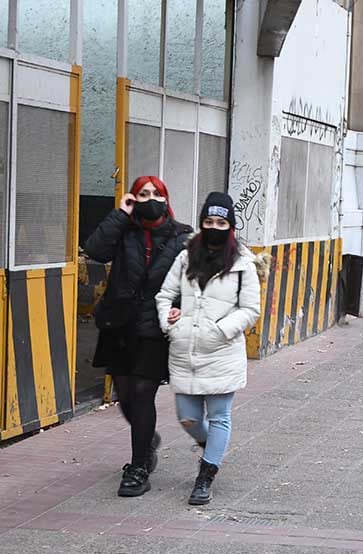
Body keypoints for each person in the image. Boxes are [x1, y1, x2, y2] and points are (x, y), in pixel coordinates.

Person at [86, 176, 192, 497]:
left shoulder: (182, 236)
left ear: (165, 197)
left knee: (143, 394)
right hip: (119, 324)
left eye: (155, 193)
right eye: (142, 194)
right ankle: (146, 439)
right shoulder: (124, 230)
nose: (149, 198)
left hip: (154, 327)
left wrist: (179, 310)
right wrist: (121, 213)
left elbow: (192, 280)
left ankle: (139, 466)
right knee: (126, 397)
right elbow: (95, 250)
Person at [156, 193, 262, 506]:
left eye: (221, 222)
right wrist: (170, 320)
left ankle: (206, 474)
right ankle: (210, 446)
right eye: (208, 221)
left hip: (221, 351)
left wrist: (221, 330)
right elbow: (164, 295)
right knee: (187, 418)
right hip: (185, 350)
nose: (214, 227)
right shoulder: (186, 256)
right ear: (202, 223)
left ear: (230, 225)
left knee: (219, 417)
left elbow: (251, 309)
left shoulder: (243, 263)